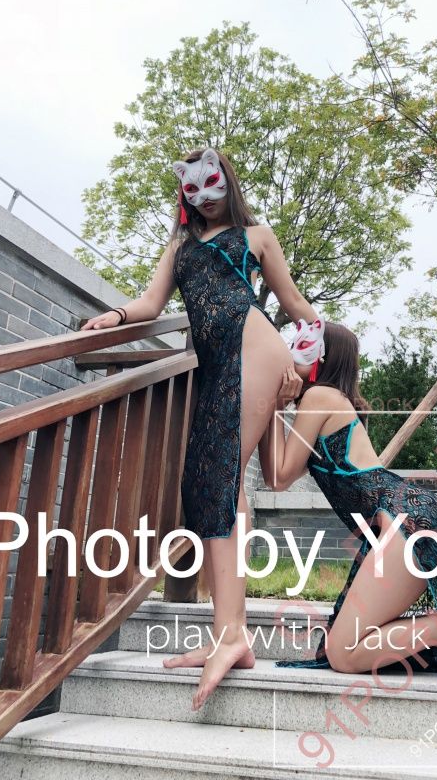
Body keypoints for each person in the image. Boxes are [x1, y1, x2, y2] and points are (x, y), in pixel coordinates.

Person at [81, 146, 317, 709]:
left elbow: (302, 311)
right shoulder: (180, 247)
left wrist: (300, 368)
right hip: (215, 367)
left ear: (227, 182)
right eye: (192, 188)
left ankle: (231, 634)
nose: (204, 197)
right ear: (183, 192)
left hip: (255, 348)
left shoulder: (257, 236)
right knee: (212, 485)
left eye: (212, 184)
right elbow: (150, 303)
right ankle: (227, 632)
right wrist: (114, 317)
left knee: (217, 478)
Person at [257, 319, 437, 685]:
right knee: (342, 650)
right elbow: (275, 477)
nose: (288, 353)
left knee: (344, 654)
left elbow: (280, 476)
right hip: (403, 517)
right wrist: (275, 407)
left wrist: (275, 405)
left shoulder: (320, 397)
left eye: (300, 346)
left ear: (321, 357)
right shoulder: (324, 402)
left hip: (404, 517)